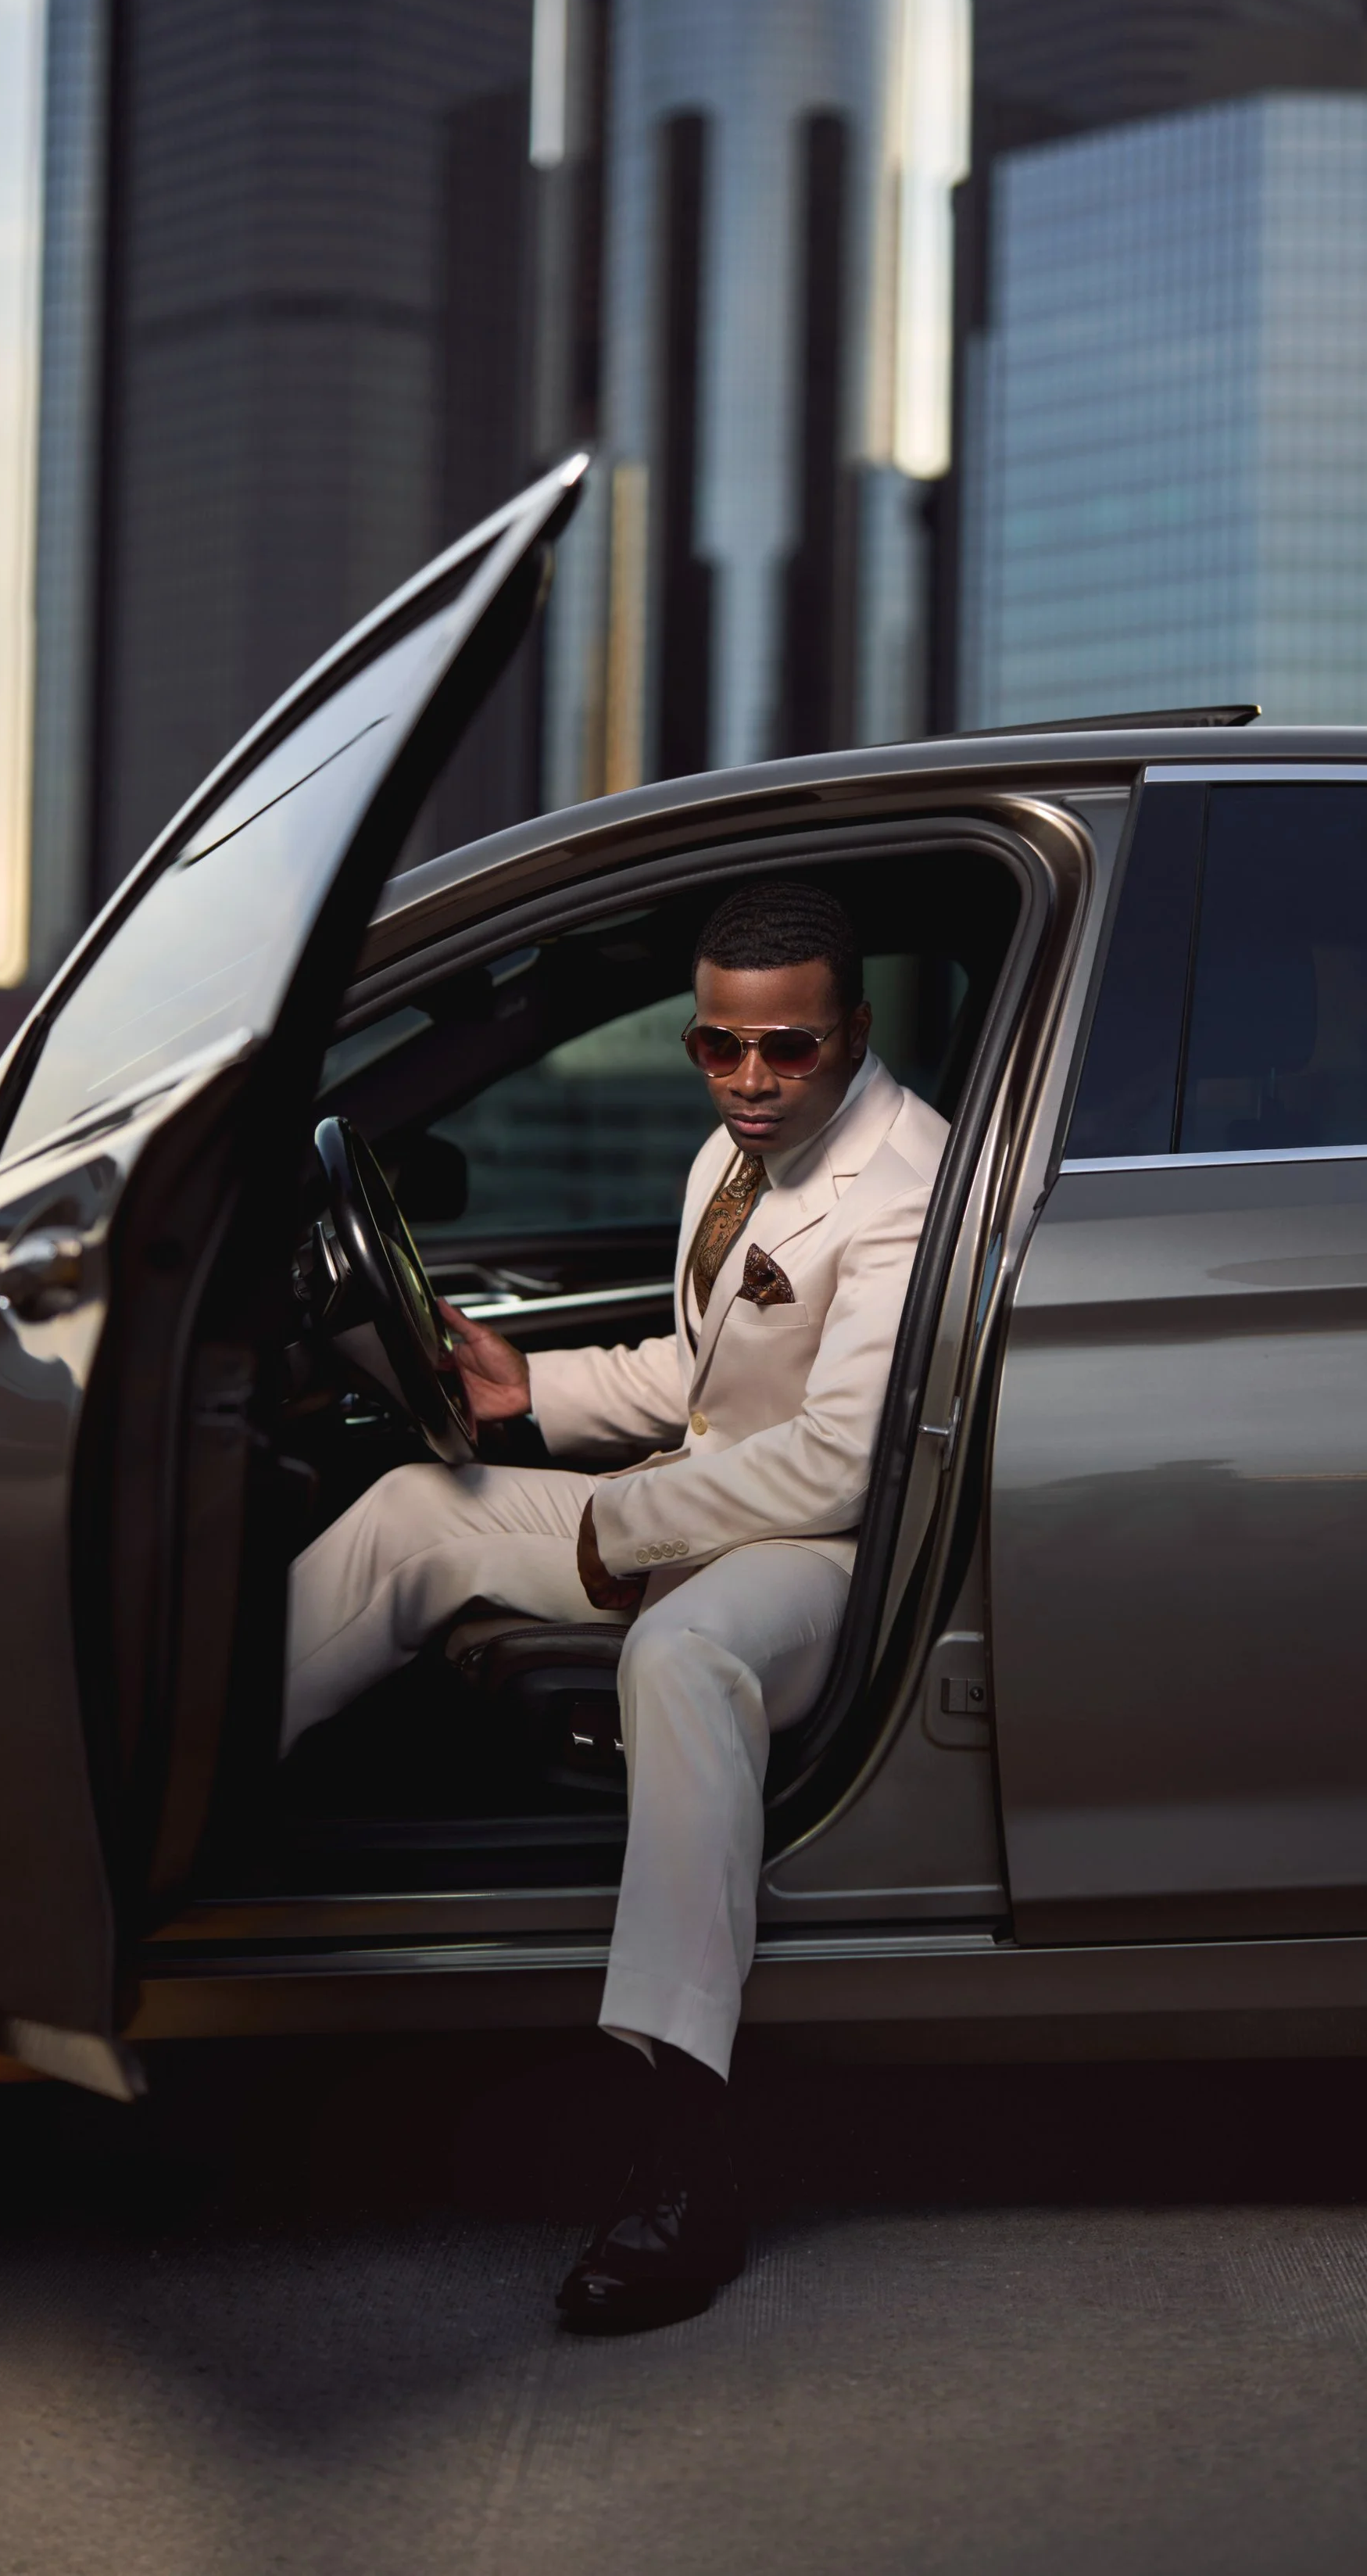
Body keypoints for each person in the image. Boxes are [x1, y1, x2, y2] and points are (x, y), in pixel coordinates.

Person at [285, 879, 949, 2327]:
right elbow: (709, 1379)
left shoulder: (906, 1185)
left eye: (792, 1050)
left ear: (856, 1032)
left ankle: (688, 2151)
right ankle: (166, 1797)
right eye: (722, 1047)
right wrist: (537, 1387)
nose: (755, 1081)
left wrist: (617, 1534)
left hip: (834, 1555)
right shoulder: (734, 1150)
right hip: (710, 1502)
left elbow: (842, 1460)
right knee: (410, 1512)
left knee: (684, 1650)